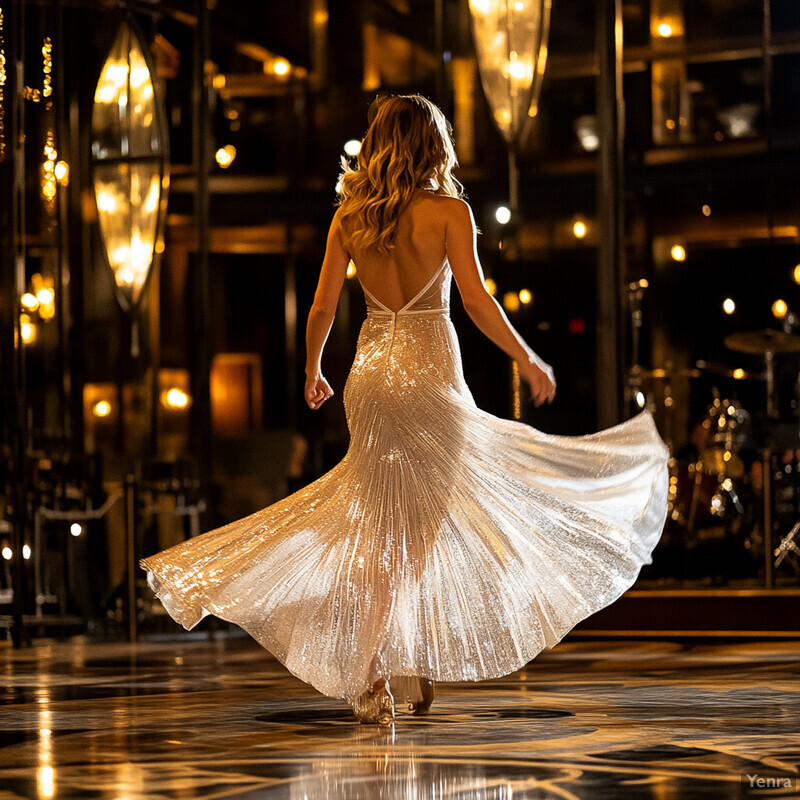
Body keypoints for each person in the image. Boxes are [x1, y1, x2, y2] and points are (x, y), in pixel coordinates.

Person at [140, 93, 669, 726]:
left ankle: (403, 660)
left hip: (368, 374)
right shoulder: (449, 212)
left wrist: (313, 369)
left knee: (381, 521)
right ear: (434, 145)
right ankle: (372, 672)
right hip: (427, 375)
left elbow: (321, 309)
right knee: (416, 533)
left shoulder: (350, 218)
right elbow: (475, 303)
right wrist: (527, 358)